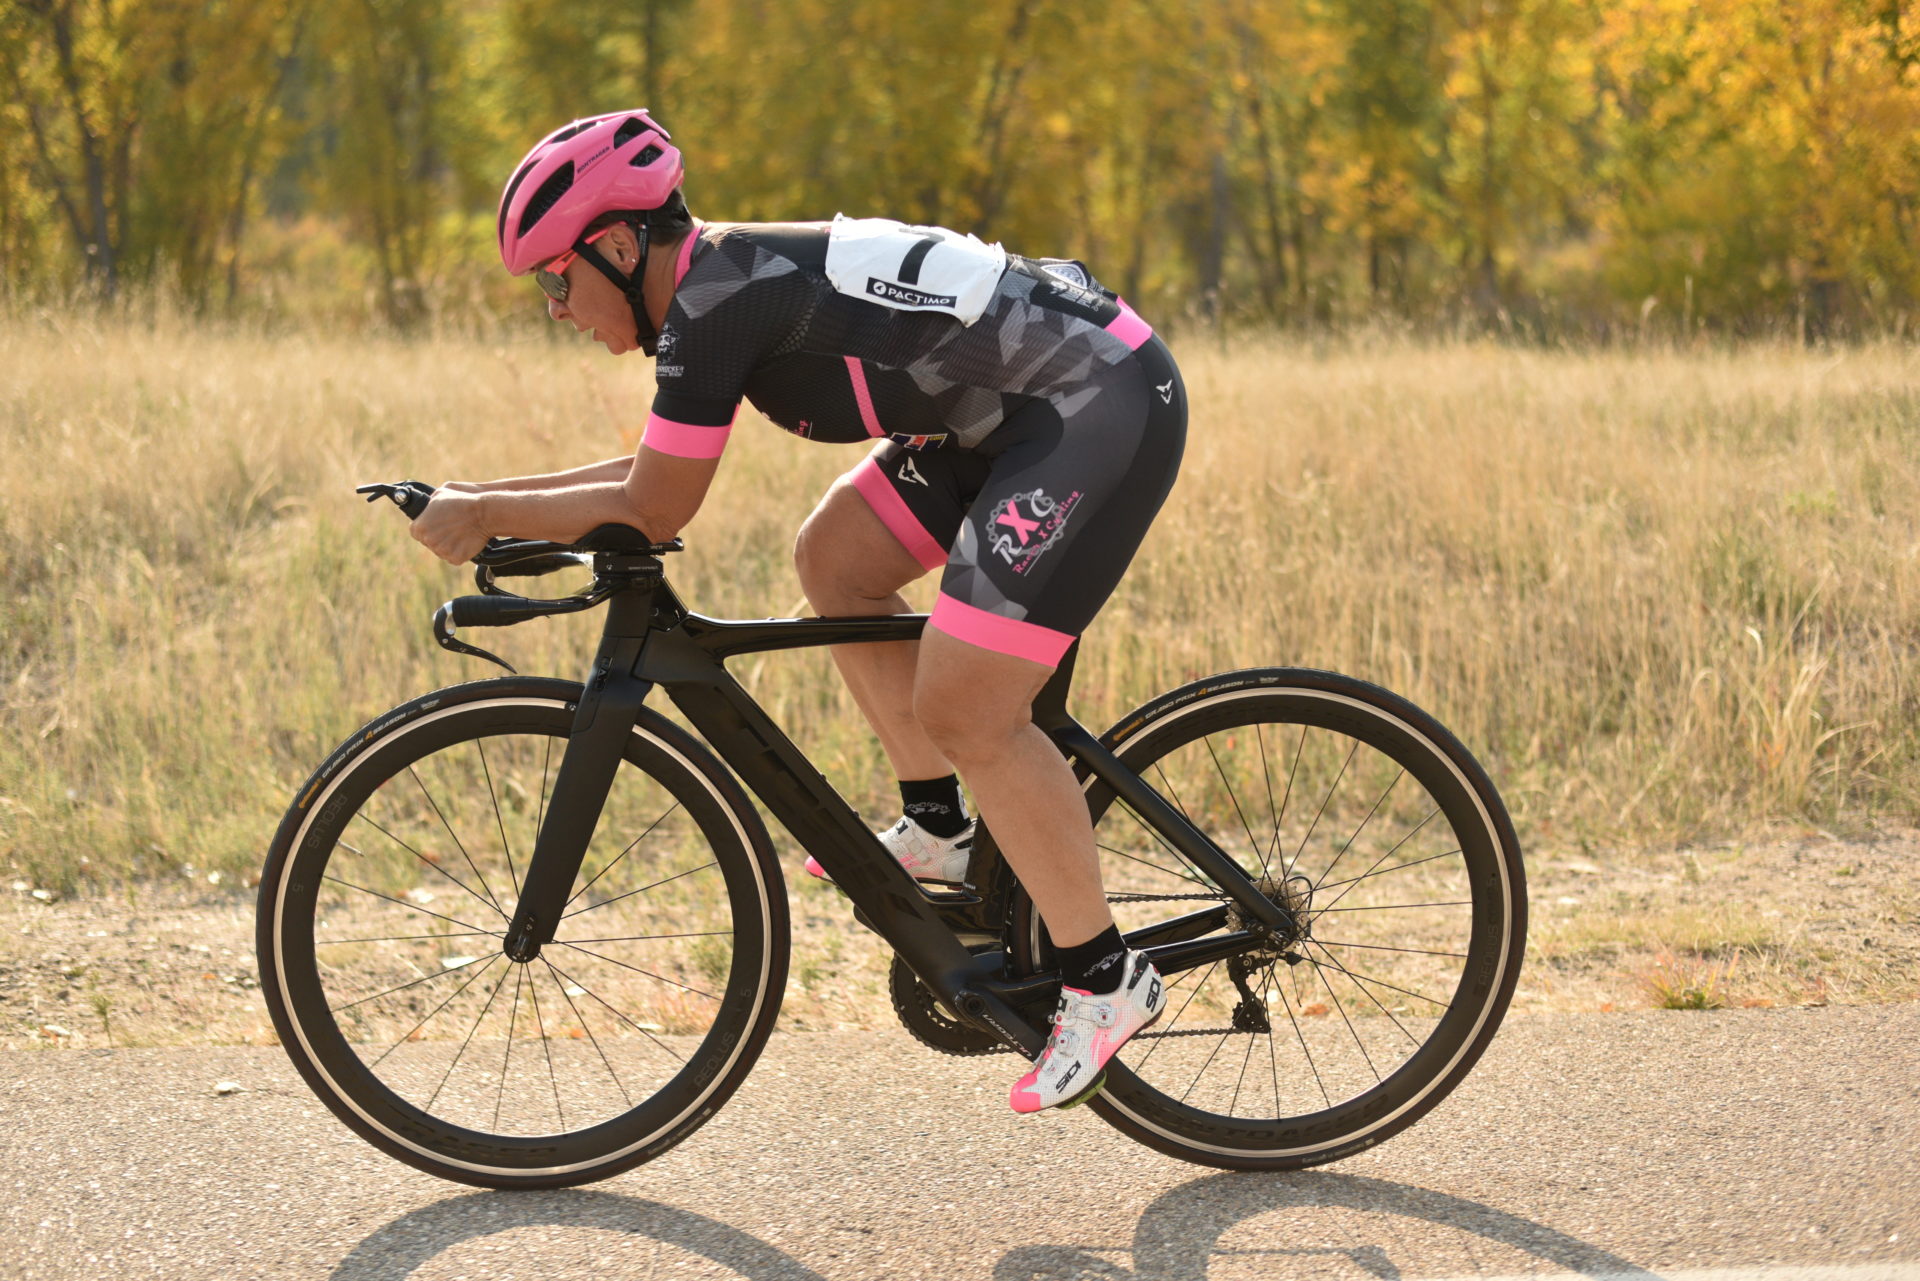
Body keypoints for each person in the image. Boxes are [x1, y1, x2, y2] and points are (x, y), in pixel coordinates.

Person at [412, 109, 1184, 1113]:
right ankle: (941, 822)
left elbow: (650, 508)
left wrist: (486, 511)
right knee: (837, 555)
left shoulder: (716, 300)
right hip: (1005, 409)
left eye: (555, 279)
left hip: (1091, 402)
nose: (555, 307)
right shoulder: (714, 287)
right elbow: (650, 476)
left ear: (613, 245)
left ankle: (1104, 976)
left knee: (970, 708)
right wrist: (485, 504)